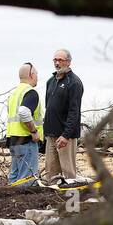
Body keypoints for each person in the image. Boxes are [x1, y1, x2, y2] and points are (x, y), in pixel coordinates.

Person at [43, 48, 84, 185]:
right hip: (51, 135)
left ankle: (72, 204)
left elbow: (74, 112)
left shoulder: (74, 83)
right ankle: (51, 204)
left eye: (60, 60)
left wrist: (66, 135)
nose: (57, 63)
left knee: (68, 175)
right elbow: (48, 108)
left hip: (66, 137)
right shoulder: (50, 81)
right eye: (55, 59)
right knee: (51, 174)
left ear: (68, 62)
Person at [5, 63, 42, 184]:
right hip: (27, 142)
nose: (37, 76)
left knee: (14, 179)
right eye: (36, 74)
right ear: (31, 75)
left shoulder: (13, 94)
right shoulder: (30, 92)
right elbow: (23, 111)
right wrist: (34, 131)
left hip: (14, 142)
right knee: (27, 182)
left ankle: (10, 202)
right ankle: (21, 203)